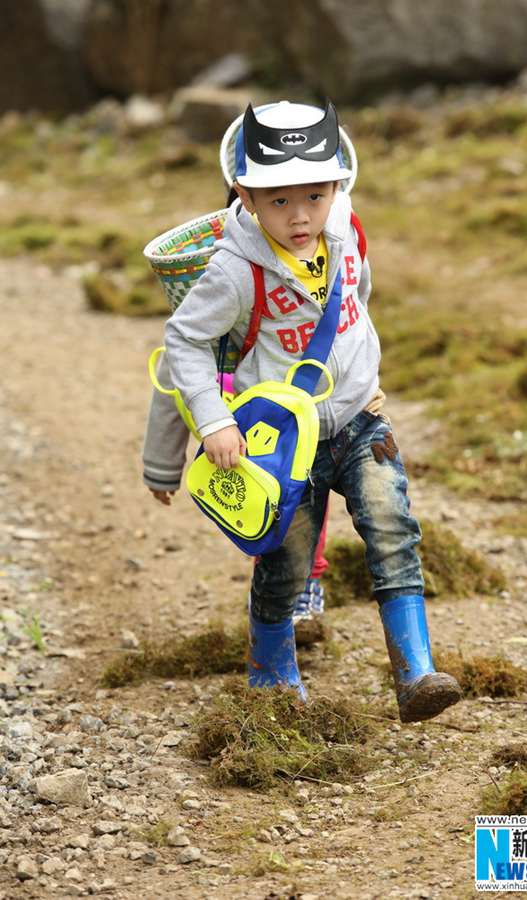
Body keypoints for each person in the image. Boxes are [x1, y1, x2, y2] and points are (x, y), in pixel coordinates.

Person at [144, 99, 462, 722]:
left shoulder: (346, 232)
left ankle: (415, 671)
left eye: (313, 197)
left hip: (359, 419)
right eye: (279, 201)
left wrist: (364, 370)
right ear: (246, 195)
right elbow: (182, 341)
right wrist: (213, 423)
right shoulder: (235, 271)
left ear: (337, 185)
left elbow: (359, 300)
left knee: (393, 530)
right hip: (288, 441)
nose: (299, 216)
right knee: (285, 562)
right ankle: (271, 678)